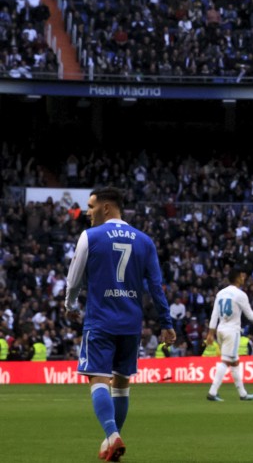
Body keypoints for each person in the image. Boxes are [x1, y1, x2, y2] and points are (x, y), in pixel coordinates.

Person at [64, 186, 175, 462]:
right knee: (122, 385)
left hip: (101, 321)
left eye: (91, 207)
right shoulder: (145, 241)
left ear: (106, 208)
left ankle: (112, 435)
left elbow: (74, 278)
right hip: (130, 324)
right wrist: (166, 322)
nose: (87, 213)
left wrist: (70, 304)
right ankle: (111, 441)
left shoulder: (90, 237)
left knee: (97, 378)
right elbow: (156, 287)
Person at [204, 268, 253, 402]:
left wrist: (210, 333)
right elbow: (250, 315)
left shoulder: (220, 293)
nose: (244, 279)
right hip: (232, 331)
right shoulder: (240, 295)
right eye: (242, 276)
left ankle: (243, 394)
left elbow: (214, 315)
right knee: (225, 361)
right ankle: (212, 392)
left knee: (234, 362)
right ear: (236, 278)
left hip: (220, 330)